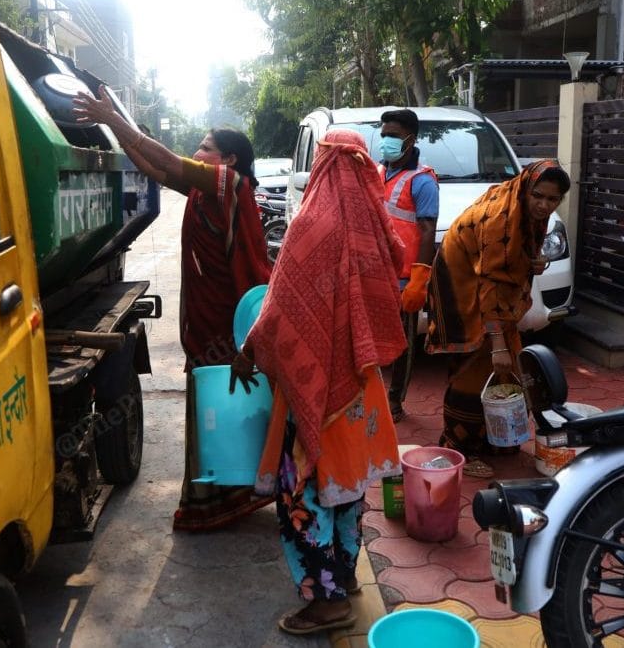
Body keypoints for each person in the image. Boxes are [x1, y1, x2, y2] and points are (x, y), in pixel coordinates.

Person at [230, 129, 407, 635]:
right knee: (346, 489)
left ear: (325, 164)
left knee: (303, 493)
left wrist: (249, 352)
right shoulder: (375, 224)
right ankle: (344, 578)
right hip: (361, 385)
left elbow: (281, 309)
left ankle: (326, 601)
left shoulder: (313, 222)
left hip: (317, 387)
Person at [74, 86, 273, 531]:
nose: (197, 153)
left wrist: (113, 117)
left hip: (228, 323)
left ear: (230, 161)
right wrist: (114, 127)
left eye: (206, 148)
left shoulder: (230, 186)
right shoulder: (208, 189)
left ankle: (225, 494)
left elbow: (166, 160)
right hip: (205, 323)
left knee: (223, 405)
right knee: (214, 404)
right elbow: (154, 168)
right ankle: (223, 492)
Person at [424, 159, 569, 479]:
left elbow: (514, 259)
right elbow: (491, 283)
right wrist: (497, 343)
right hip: (461, 287)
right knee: (476, 364)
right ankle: (457, 445)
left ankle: (492, 436)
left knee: (508, 365)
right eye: (539, 196)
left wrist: (533, 262)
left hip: (489, 288)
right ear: (526, 188)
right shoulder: (501, 220)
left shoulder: (520, 203)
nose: (544, 205)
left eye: (552, 199)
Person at [378, 109, 439, 422]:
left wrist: (419, 278)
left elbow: (428, 230)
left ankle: (395, 401)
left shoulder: (422, 181)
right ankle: (373, 395)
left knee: (401, 345)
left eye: (392, 136)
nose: (385, 140)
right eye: (383, 134)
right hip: (376, 274)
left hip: (403, 279)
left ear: (410, 139)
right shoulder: (379, 172)